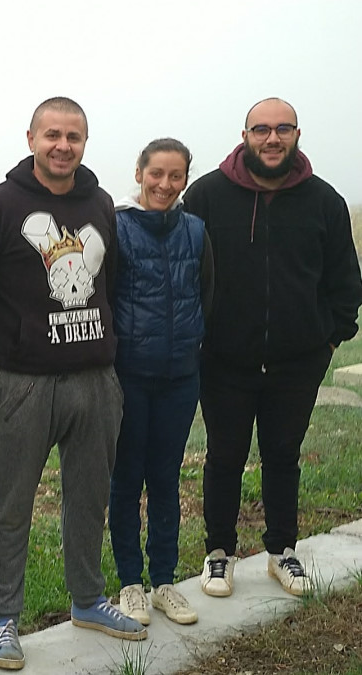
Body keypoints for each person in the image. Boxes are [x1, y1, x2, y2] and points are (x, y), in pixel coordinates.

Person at [0, 96, 147, 671]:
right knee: (11, 502)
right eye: (52, 134)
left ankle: (89, 600)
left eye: (73, 136)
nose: (62, 145)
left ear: (85, 143)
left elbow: (109, 282)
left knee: (89, 497)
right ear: (31, 138)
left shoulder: (100, 204)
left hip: (95, 377)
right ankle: (3, 619)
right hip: (25, 380)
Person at [183, 98, 362, 598]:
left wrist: (327, 339)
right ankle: (219, 553)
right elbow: (182, 270)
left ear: (297, 134)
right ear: (245, 135)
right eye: (261, 129)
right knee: (224, 457)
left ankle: (283, 551)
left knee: (283, 455)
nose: (272, 138)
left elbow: (346, 282)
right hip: (222, 360)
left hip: (296, 363)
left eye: (283, 129)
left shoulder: (323, 200)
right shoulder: (207, 196)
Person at [109, 138, 213, 627]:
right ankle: (131, 583)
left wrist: (192, 346)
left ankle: (165, 580)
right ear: (140, 172)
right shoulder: (118, 226)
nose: (165, 185)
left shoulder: (195, 230)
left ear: (185, 179)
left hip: (179, 378)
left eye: (176, 177)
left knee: (166, 479)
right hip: (130, 375)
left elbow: (205, 292)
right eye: (157, 174)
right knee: (127, 480)